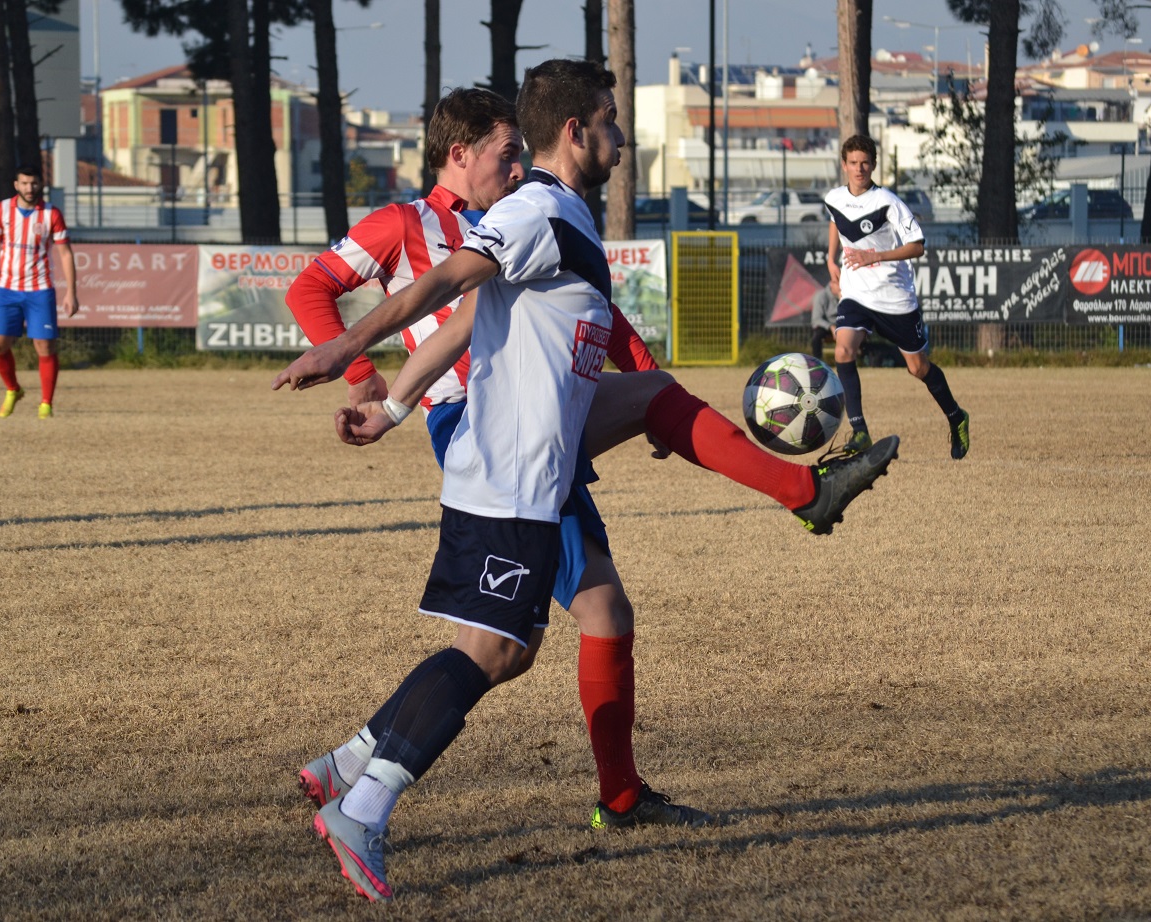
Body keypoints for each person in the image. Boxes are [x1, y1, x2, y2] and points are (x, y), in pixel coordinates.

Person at [273, 61, 897, 902]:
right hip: (510, 477)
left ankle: (804, 496)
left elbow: (465, 321)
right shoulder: (533, 210)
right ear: (575, 131)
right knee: (493, 651)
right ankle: (363, 805)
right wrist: (350, 351)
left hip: (525, 464)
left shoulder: (552, 212)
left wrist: (390, 409)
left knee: (642, 417)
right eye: (609, 118)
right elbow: (445, 286)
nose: (621, 136)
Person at [825, 135, 969, 459]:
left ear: (874, 165)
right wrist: (830, 258)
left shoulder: (888, 202)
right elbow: (835, 219)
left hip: (895, 297)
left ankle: (956, 416)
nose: (859, 169)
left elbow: (917, 246)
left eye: (865, 163)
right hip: (857, 292)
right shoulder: (834, 197)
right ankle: (860, 431)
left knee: (918, 368)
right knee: (843, 349)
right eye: (853, 163)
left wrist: (876, 256)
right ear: (844, 165)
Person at [0, 164, 78, 419]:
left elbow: (65, 254)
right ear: (16, 185)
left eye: (33, 183)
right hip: (7, 290)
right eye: (24, 183)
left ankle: (46, 404)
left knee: (44, 346)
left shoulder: (51, 213)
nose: (29, 188)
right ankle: (13, 389)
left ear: (40, 184)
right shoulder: (1, 210)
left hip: (40, 290)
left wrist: (71, 292)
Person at [809, 278, 838, 360]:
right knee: (816, 338)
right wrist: (831, 327)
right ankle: (817, 361)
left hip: (841, 325)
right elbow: (816, 319)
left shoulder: (846, 295)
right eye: (838, 284)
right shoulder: (821, 296)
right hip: (826, 327)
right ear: (831, 284)